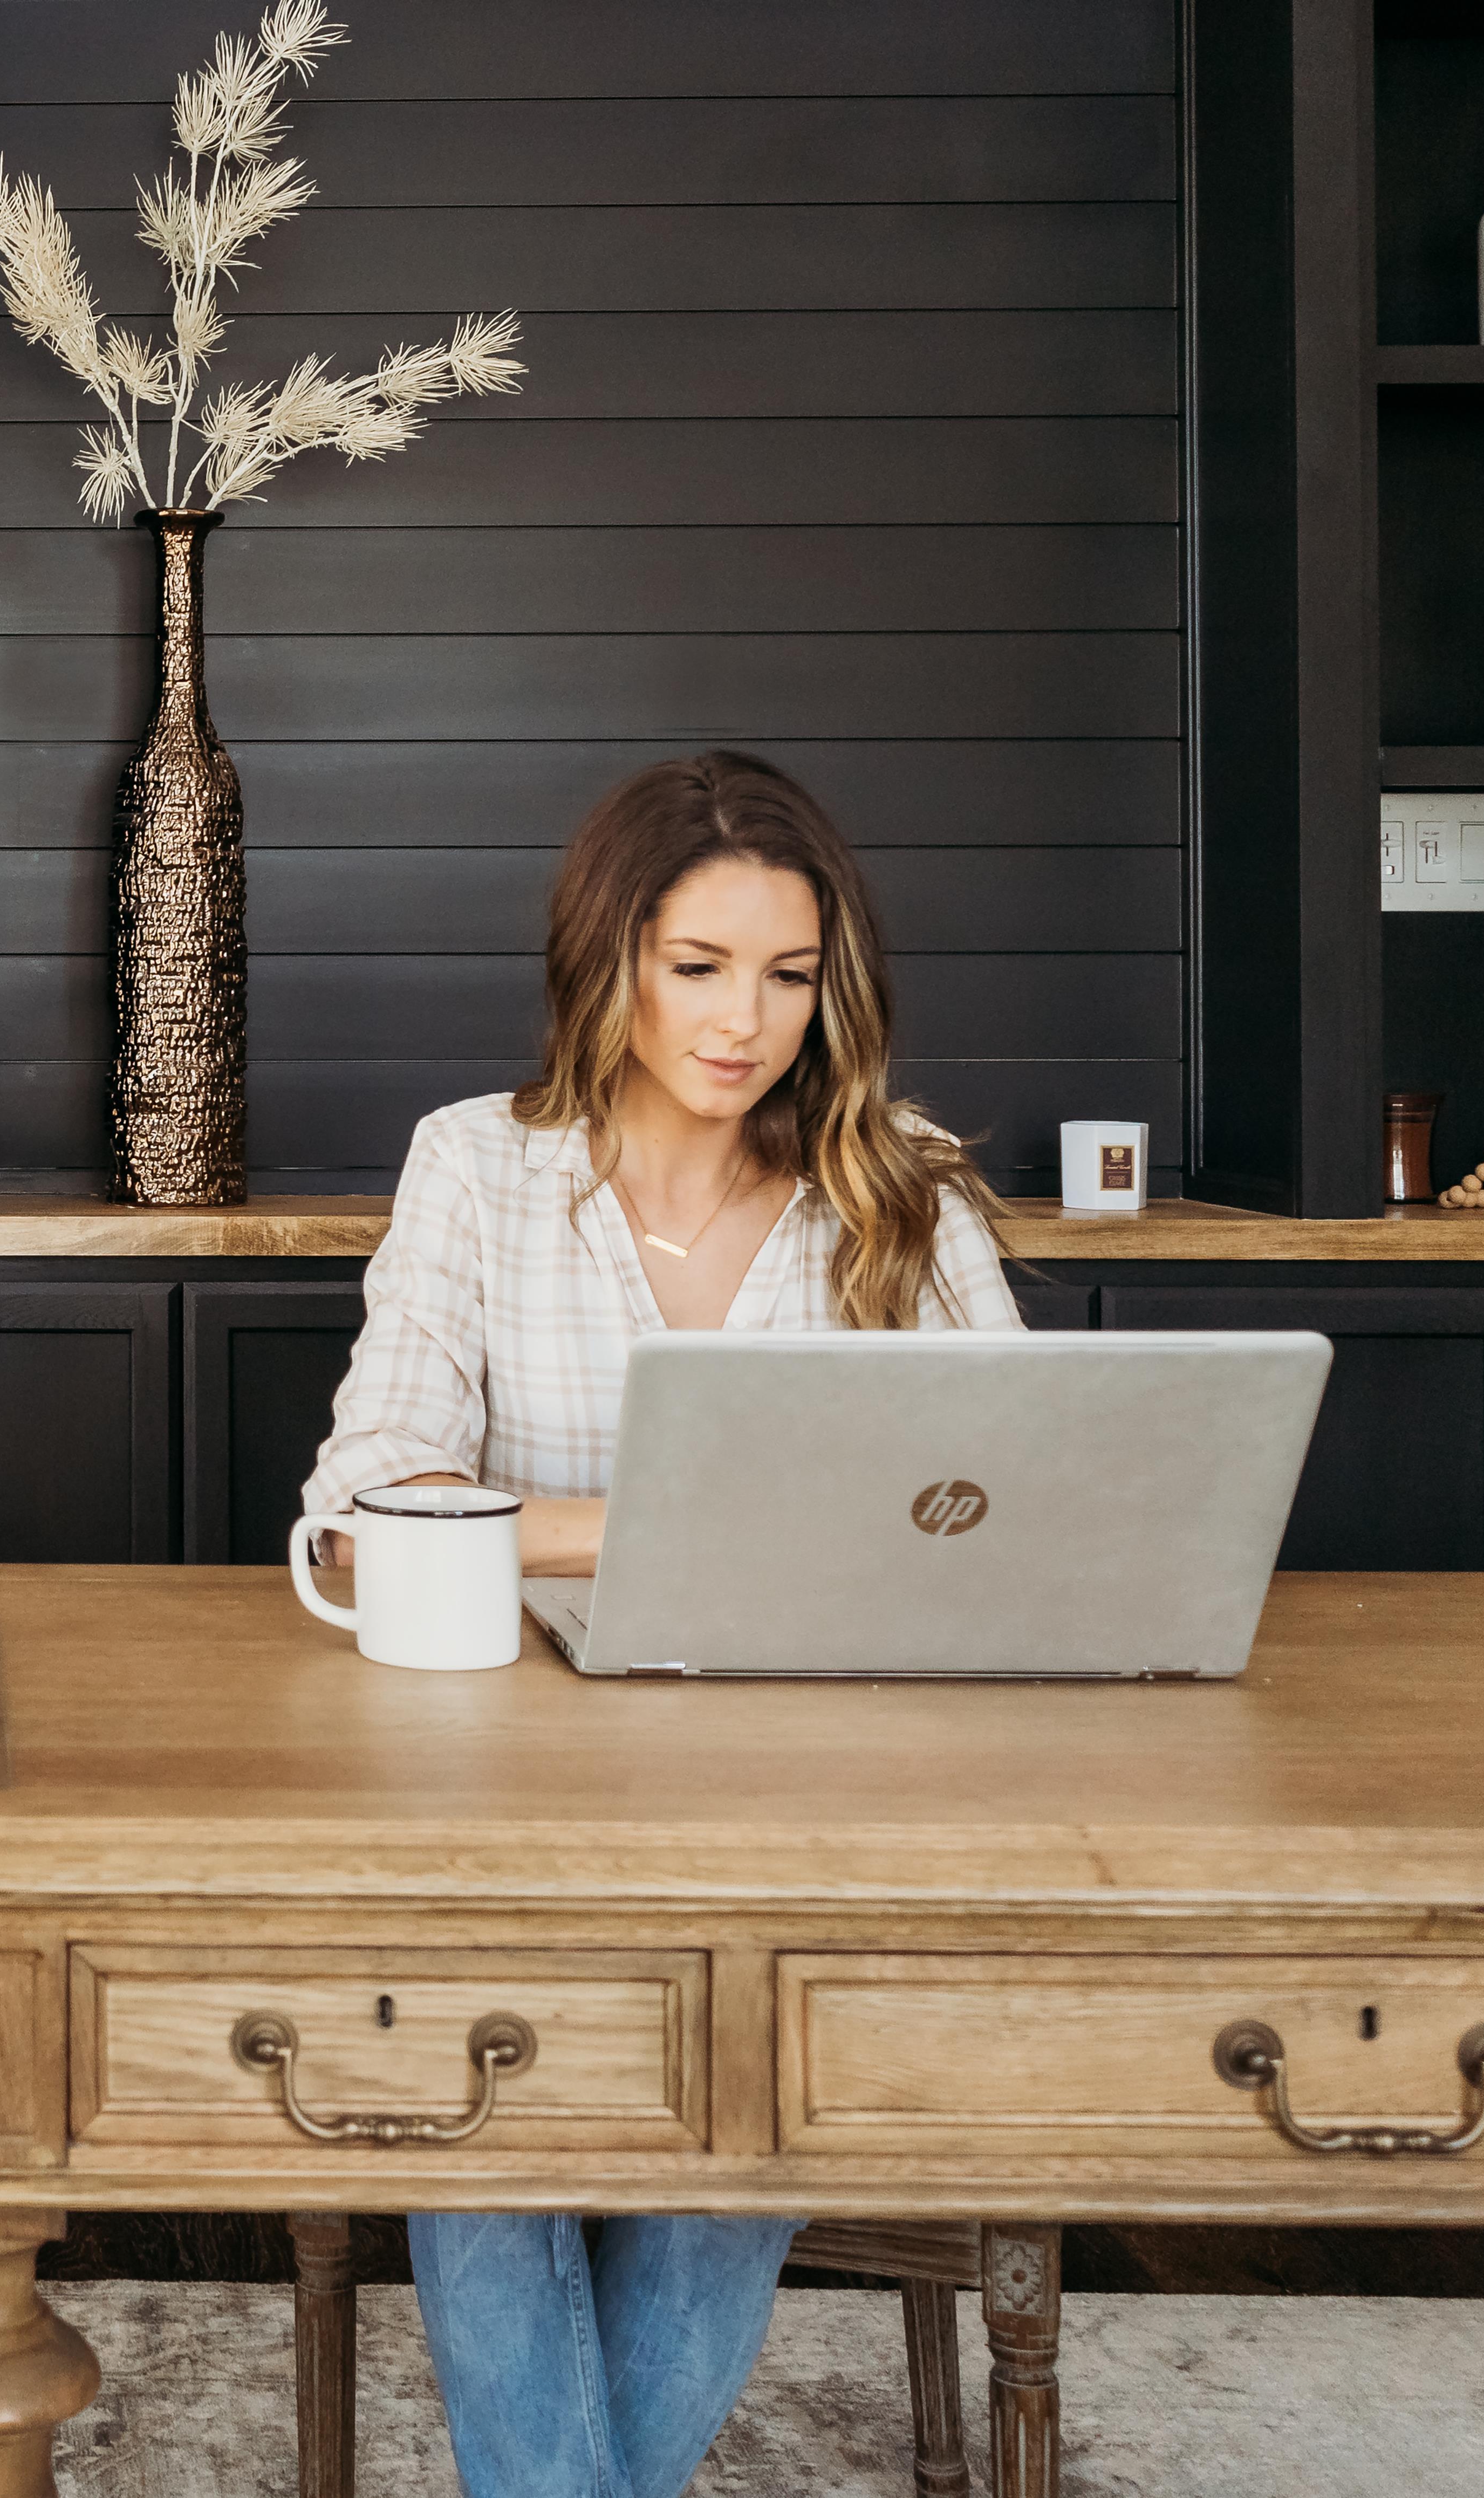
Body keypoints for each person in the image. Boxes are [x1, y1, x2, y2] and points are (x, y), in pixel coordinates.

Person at [300, 750, 1020, 2498]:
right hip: (509, 1803)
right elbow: (352, 1515)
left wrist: (560, 1532)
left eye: (786, 975)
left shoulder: (897, 1178)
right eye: (696, 968)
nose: (742, 1021)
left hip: (813, 1806)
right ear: (606, 958)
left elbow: (1012, 1497)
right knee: (473, 2082)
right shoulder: (476, 1168)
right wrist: (691, 1523)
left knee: (761, 2056)